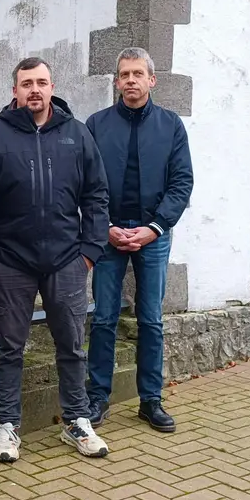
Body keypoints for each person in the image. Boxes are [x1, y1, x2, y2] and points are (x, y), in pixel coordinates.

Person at [0, 57, 111, 462]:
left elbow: (97, 196)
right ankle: (7, 426)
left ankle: (77, 421)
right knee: (9, 348)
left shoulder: (77, 134)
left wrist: (90, 251)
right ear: (14, 90)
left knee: (72, 344)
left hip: (67, 259)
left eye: (42, 82)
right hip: (11, 264)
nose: (35, 89)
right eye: (26, 83)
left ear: (52, 87)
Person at [85, 47, 194, 433]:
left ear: (152, 79)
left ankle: (151, 401)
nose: (131, 80)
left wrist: (155, 228)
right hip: (108, 233)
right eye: (124, 75)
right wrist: (105, 227)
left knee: (150, 320)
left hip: (153, 233)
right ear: (116, 82)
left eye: (138, 74)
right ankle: (97, 398)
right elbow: (84, 183)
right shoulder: (96, 124)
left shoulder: (171, 126)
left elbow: (182, 182)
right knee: (102, 318)